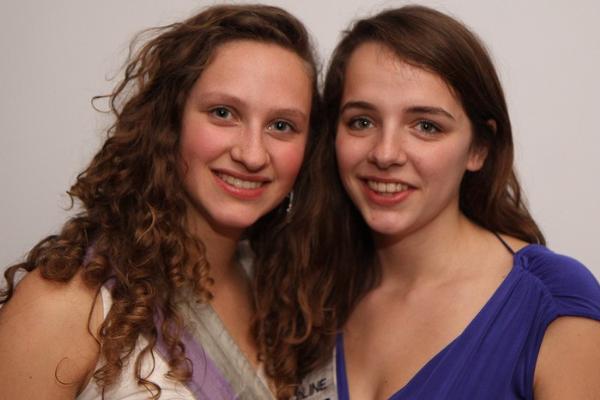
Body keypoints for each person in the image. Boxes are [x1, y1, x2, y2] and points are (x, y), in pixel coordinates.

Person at [0, 4, 321, 399]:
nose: (252, 154)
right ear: (170, 122)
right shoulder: (68, 303)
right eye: (223, 113)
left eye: (282, 125)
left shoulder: (284, 295)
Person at [293, 5, 600, 400]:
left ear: (479, 148)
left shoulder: (551, 303)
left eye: (426, 126)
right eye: (362, 121)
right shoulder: (311, 290)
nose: (385, 153)